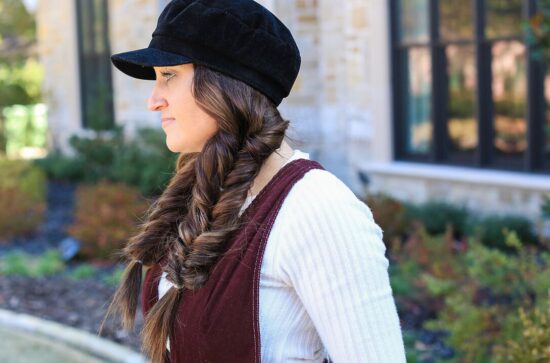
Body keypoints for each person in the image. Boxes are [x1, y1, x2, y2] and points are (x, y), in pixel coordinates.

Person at [104, 1, 407, 362]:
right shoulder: (203, 194)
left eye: (169, 75)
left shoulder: (317, 210)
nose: (154, 100)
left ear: (226, 84)